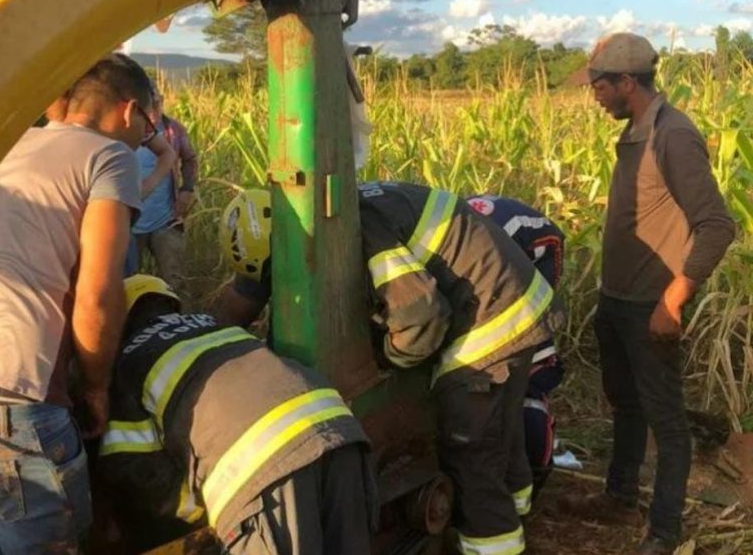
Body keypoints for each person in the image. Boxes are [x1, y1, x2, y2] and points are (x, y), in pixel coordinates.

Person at [217, 182, 558, 555]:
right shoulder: (323, 212)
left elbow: (421, 318)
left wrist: (389, 363)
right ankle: (522, 516)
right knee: (501, 435)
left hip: (493, 316)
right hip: (514, 297)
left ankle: (495, 542)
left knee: (470, 449)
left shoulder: (359, 228)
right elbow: (246, 294)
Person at [0, 53, 154, 553]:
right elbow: (98, 293)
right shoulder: (109, 157)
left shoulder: (7, 146)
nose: (145, 136)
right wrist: (96, 387)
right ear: (130, 111)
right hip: (16, 413)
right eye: (149, 124)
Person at [564, 33, 735, 555]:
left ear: (627, 83)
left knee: (667, 419)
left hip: (651, 305)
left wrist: (672, 301)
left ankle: (664, 532)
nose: (592, 94)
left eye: (598, 85)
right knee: (626, 404)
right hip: (617, 299)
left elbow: (717, 226)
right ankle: (619, 496)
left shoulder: (673, 134)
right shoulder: (636, 130)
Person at [98, 275, 377, 554]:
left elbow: (140, 478)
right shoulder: (216, 326)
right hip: (339, 429)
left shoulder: (127, 363)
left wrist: (198, 517)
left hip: (263, 463)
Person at [466, 194, 566, 496]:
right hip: (492, 252)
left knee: (525, 381)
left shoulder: (494, 257)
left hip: (539, 249)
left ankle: (537, 469)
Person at [128, 85, 198, 292]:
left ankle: (180, 319)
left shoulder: (173, 129)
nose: (153, 109)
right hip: (130, 222)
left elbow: (190, 159)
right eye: (147, 104)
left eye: (156, 102)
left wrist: (187, 189)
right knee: (127, 283)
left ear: (162, 100)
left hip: (166, 219)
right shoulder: (125, 132)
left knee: (175, 281)